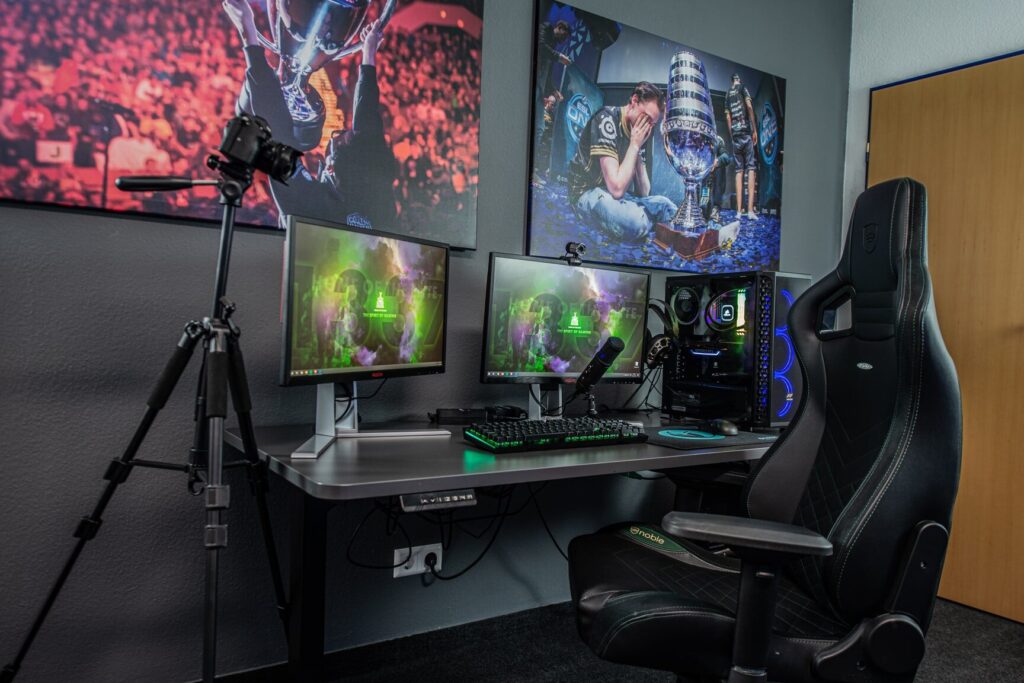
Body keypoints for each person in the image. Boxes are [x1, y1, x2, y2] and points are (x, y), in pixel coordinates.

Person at [223, 0, 396, 228]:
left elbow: (278, 134)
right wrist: (369, 54)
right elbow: (367, 122)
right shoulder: (372, 196)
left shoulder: (311, 205)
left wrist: (248, 30)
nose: (342, 132)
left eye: (339, 137)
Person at [567, 81, 676, 241]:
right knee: (632, 223)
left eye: (652, 123)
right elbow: (617, 189)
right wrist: (634, 145)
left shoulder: (637, 132)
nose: (647, 127)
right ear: (634, 101)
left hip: (612, 196)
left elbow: (644, 192)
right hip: (586, 193)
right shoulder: (606, 118)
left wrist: (637, 148)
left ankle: (647, 222)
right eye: (646, 118)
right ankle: (648, 223)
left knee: (666, 205)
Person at [725, 72, 759, 220]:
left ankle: (739, 211)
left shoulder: (727, 94)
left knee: (739, 171)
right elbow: (749, 107)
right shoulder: (743, 88)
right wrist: (754, 129)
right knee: (751, 168)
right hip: (746, 132)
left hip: (736, 135)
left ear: (731, 81)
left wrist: (731, 134)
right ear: (739, 79)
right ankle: (750, 211)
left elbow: (728, 117)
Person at [703, 134, 731, 224]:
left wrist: (717, 162)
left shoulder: (717, 140)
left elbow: (726, 157)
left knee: (720, 167)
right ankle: (702, 210)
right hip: (703, 174)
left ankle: (715, 210)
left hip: (716, 176)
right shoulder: (699, 140)